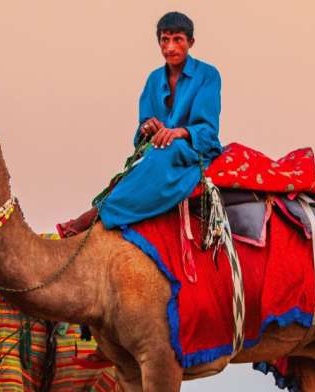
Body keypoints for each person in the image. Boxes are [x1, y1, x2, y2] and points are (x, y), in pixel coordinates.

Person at [89, 11, 223, 230]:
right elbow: (140, 135)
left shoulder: (208, 75)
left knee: (165, 151)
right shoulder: (154, 80)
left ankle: (102, 213)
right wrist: (148, 128)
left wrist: (178, 132)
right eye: (165, 40)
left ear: (190, 42)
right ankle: (107, 209)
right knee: (143, 161)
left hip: (192, 150)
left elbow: (208, 131)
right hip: (158, 150)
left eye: (178, 39)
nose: (170, 47)